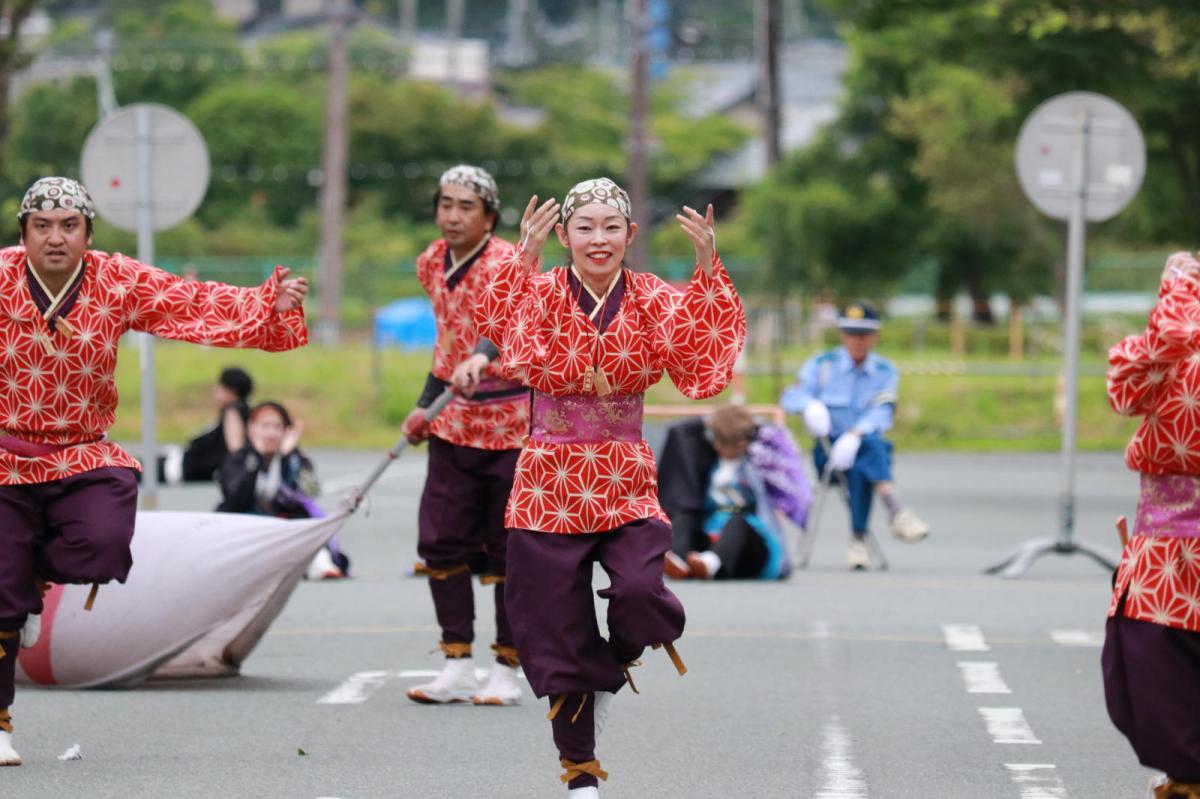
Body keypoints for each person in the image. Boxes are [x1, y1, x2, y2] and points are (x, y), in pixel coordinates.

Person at [0, 176, 308, 766]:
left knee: (107, 543)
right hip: (8, 456)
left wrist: (267, 304)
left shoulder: (116, 279)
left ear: (88, 233)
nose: (55, 238)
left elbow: (191, 304)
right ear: (24, 233)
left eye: (69, 226)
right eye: (42, 227)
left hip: (81, 452)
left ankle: (34, 584)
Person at [476, 178, 746, 797]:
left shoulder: (653, 297)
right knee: (555, 627)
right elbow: (497, 331)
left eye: (611, 226)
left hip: (624, 473)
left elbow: (703, 365)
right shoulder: (540, 289)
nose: (598, 239)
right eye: (585, 227)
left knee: (639, 593)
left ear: (630, 234)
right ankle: (581, 778)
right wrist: (522, 256)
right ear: (566, 235)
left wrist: (708, 268)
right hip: (548, 478)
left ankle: (612, 664)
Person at [399, 165, 529, 706]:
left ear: (490, 217)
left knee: (507, 551)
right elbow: (446, 344)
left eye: (466, 206)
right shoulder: (431, 261)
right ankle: (456, 662)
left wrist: (483, 358)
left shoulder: (508, 263)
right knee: (440, 542)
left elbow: (508, 326)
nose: (452, 215)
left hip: (511, 427)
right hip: (452, 425)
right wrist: (423, 408)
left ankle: (507, 667)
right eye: (445, 204)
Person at [1103, 251, 1200, 799]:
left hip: (1166, 554)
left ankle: (1186, 776)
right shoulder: (1158, 356)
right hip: (1166, 547)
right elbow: (1127, 390)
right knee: (1157, 663)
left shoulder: (1155, 354)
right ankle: (1186, 776)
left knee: (1158, 662)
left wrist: (1181, 287)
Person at [780, 301, 930, 570]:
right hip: (827, 452)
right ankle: (893, 511)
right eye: (850, 333)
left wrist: (855, 434)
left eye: (863, 334)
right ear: (842, 335)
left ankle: (859, 541)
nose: (856, 341)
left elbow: (884, 411)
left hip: (860, 445)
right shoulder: (822, 365)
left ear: (875, 336)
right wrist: (810, 406)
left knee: (866, 452)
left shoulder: (885, 371)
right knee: (873, 451)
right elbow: (791, 396)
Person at [658, 404, 810, 581]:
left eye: (735, 446)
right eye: (722, 444)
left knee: (737, 521)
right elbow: (685, 434)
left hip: (751, 538)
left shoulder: (757, 463)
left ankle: (711, 562)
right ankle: (680, 559)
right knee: (684, 518)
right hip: (711, 530)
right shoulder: (708, 462)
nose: (728, 451)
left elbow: (790, 479)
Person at [216, 401, 347, 579]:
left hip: (283, 525)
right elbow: (235, 497)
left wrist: (287, 459)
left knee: (306, 520)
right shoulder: (239, 459)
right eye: (265, 426)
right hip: (247, 524)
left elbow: (312, 491)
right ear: (251, 428)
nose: (271, 433)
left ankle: (318, 561)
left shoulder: (296, 459)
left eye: (277, 427)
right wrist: (257, 461)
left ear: (287, 431)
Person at [174, 366, 253, 483]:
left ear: (232, 390)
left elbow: (236, 449)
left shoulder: (233, 412)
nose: (216, 390)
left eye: (220, 387)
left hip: (188, 474)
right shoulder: (241, 410)